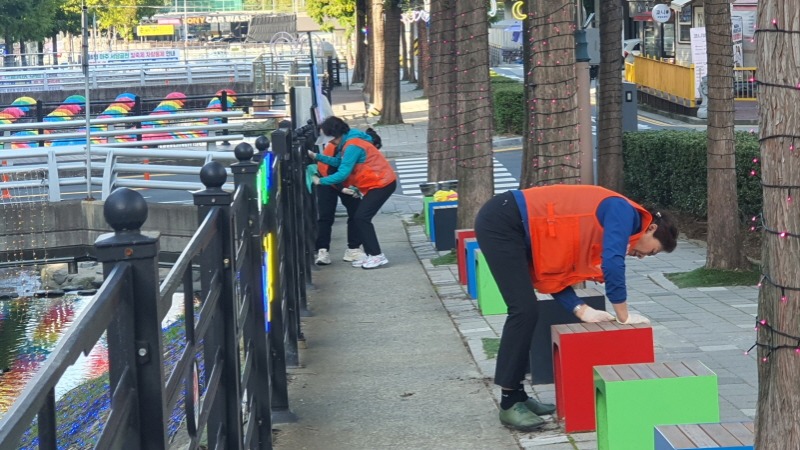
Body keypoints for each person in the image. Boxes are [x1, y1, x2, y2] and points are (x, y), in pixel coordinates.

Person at [473, 185, 678, 431]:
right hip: (503, 220)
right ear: (652, 228)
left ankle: (518, 396)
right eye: (652, 251)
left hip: (517, 224)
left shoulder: (618, 217)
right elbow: (612, 262)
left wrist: (582, 310)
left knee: (528, 310)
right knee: (523, 310)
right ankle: (508, 403)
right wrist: (623, 315)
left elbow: (551, 272)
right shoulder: (622, 210)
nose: (643, 256)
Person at [309, 116, 397, 269]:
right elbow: (339, 162)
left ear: (335, 135)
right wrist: (318, 156)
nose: (329, 142)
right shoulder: (349, 142)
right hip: (379, 183)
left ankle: (376, 255)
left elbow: (343, 172)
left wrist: (321, 181)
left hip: (381, 183)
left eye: (330, 138)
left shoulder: (352, 146)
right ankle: (372, 254)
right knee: (360, 217)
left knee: (361, 217)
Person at [311, 129, 366, 266]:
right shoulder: (345, 146)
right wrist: (343, 188)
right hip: (327, 178)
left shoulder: (357, 145)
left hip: (345, 180)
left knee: (356, 213)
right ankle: (322, 250)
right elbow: (332, 170)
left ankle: (353, 248)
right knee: (325, 215)